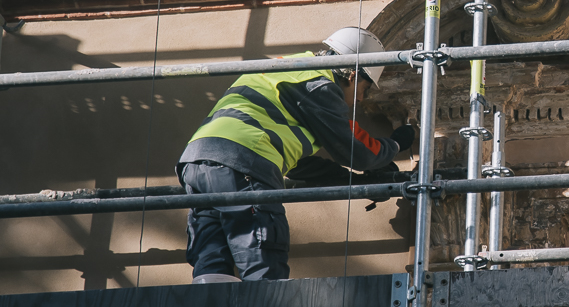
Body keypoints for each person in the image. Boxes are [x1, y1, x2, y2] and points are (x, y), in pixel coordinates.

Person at [177, 27, 416, 283]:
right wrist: (394, 145)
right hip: (244, 161)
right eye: (365, 89)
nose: (358, 99)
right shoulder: (318, 83)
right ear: (354, 75)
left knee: (211, 260)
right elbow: (357, 151)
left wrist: (355, 183)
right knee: (263, 259)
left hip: (197, 162)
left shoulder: (291, 70)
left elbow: (300, 166)